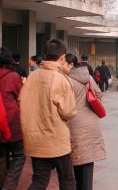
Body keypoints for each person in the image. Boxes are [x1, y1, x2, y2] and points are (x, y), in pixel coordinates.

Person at [20, 39, 77, 190]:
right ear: (62, 57)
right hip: (56, 140)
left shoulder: (32, 77)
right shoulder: (61, 79)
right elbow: (69, 111)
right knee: (67, 181)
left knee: (39, 180)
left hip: (35, 139)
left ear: (45, 55)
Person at [64, 54, 106, 190]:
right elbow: (99, 94)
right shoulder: (87, 77)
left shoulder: (66, 80)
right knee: (87, 160)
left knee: (75, 160)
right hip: (91, 123)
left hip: (74, 123)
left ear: (69, 65)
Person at [0, 48, 25, 190]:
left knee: (2, 156)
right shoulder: (13, 76)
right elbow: (22, 96)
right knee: (19, 155)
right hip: (11, 125)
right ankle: (8, 186)